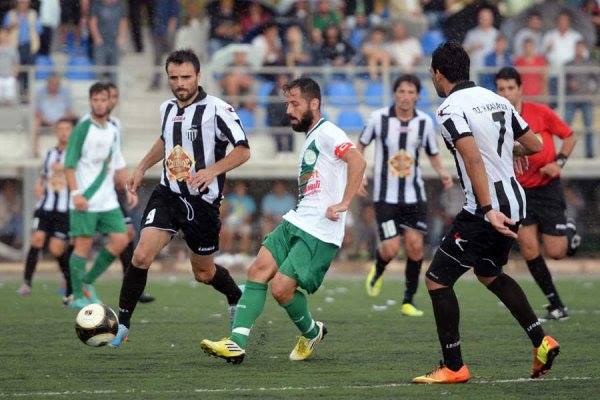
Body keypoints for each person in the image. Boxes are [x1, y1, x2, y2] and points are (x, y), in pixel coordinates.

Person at [412, 41, 559, 384]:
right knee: (489, 272)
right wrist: (508, 150)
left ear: (438, 73)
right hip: (516, 201)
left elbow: (473, 158)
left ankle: (453, 366)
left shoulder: (449, 108)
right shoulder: (497, 99)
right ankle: (541, 340)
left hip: (486, 206)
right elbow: (535, 145)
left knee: (436, 279)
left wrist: (488, 209)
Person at [200, 77, 366, 364]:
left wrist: (344, 203)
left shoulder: (329, 132)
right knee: (257, 270)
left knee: (280, 288)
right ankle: (236, 343)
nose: (289, 110)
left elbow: (358, 161)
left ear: (314, 103)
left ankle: (312, 332)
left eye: (295, 104)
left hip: (320, 229)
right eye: (287, 104)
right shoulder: (312, 136)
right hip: (299, 219)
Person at [109, 49, 249, 347]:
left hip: (203, 204)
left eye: (186, 77)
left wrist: (212, 171)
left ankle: (235, 294)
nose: (180, 83)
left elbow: (243, 150)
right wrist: (142, 167)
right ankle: (122, 324)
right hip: (168, 195)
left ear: (198, 76)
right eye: (174, 78)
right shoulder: (167, 109)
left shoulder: (218, 109)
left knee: (203, 273)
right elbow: (166, 140)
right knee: (141, 255)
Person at [359, 73, 453, 317]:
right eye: (401, 91)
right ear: (394, 94)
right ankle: (379, 268)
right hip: (385, 198)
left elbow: (432, 153)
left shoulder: (424, 122)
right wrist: (359, 174)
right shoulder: (378, 118)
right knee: (391, 248)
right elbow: (360, 146)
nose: (406, 96)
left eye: (411, 92)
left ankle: (408, 300)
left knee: (415, 247)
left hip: (414, 197)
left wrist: (443, 172)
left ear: (418, 96)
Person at [495, 66, 580, 322]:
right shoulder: (495, 119)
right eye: (501, 89)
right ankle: (556, 304)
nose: (506, 93)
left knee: (556, 252)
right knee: (529, 248)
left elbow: (569, 136)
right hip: (519, 191)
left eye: (510, 88)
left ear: (520, 89)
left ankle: (569, 231)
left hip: (547, 186)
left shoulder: (540, 112)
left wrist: (559, 162)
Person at [79, 82, 155, 304]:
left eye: (112, 97)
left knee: (126, 234)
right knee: (80, 241)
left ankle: (129, 285)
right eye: (104, 97)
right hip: (89, 191)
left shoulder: (115, 125)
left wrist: (126, 187)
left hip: (111, 191)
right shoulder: (85, 124)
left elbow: (115, 159)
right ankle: (75, 286)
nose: (108, 101)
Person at [64, 82, 130, 310]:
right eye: (96, 100)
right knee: (83, 246)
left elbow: (117, 162)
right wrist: (76, 194)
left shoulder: (113, 129)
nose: (100, 104)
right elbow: (69, 164)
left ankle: (87, 282)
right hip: (85, 199)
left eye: (104, 99)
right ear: (90, 101)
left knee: (121, 239)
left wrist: (128, 189)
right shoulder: (82, 128)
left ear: (110, 101)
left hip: (108, 200)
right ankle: (76, 295)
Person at [17, 118, 73, 301]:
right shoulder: (50, 153)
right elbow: (44, 174)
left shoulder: (76, 154)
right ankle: (26, 283)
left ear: (72, 132)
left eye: (67, 129)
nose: (64, 132)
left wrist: (65, 171)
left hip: (64, 209)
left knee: (56, 248)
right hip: (45, 207)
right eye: (61, 129)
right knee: (37, 239)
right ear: (56, 131)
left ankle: (69, 282)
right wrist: (39, 184)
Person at [565, 40, 597, 158]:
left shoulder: (590, 63)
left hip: (585, 99)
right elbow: (562, 82)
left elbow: (597, 80)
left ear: (584, 49)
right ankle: (564, 152)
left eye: (581, 47)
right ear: (574, 48)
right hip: (571, 98)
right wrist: (569, 84)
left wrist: (592, 92)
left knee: (589, 126)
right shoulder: (568, 64)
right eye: (577, 47)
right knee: (565, 126)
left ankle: (589, 153)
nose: (579, 50)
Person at [89, 0, 127, 81]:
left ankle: (113, 87)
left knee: (114, 70)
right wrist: (97, 37)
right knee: (99, 69)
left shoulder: (120, 5)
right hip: (101, 43)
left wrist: (121, 36)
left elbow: (123, 22)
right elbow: (92, 22)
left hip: (115, 42)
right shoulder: (96, 5)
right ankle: (99, 87)